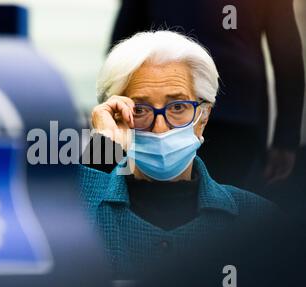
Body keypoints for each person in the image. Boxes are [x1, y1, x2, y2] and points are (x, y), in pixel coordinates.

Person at [79, 30, 278, 276]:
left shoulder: (259, 219)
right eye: (139, 110)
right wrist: (103, 148)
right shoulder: (83, 209)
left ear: (202, 117)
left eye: (179, 107)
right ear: (116, 115)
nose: (160, 128)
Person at [110, 0, 305, 188]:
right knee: (232, 207)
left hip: (172, 113)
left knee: (161, 201)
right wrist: (286, 139)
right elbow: (287, 55)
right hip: (237, 112)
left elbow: (120, 47)